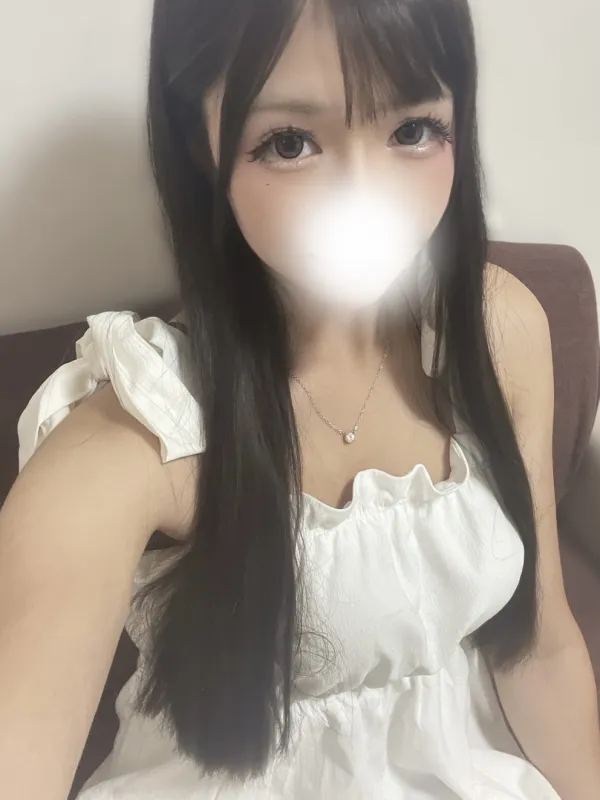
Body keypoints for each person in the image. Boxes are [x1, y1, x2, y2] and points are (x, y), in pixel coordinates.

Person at [1, 0, 599, 797]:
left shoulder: (497, 332)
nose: (366, 198)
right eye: (290, 142)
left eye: (413, 129)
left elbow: (540, 646)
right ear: (200, 143)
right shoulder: (142, 434)